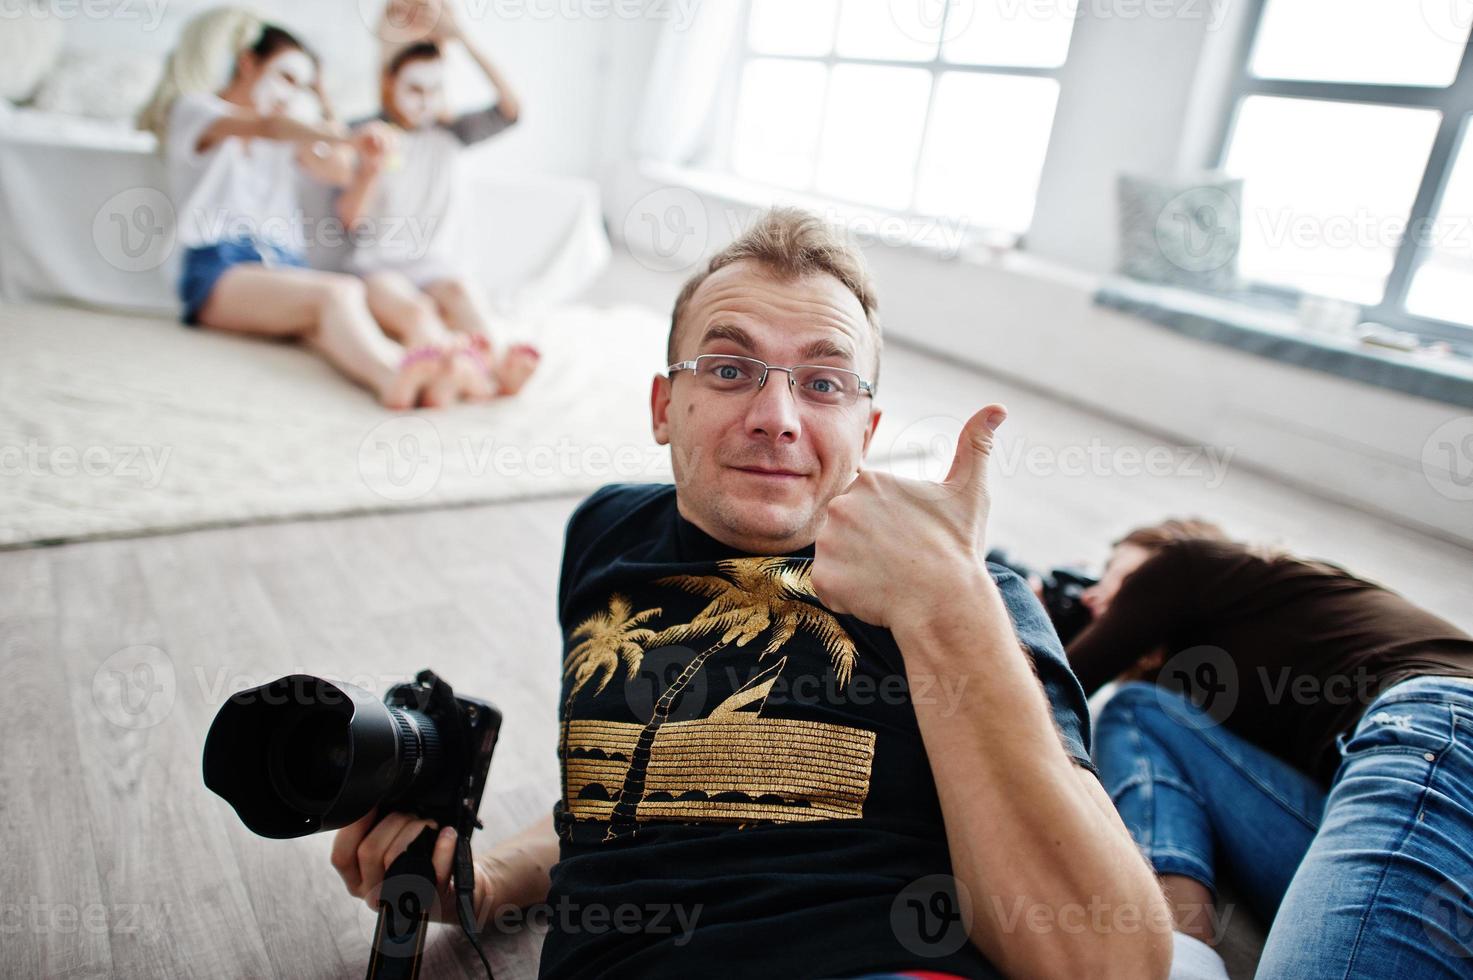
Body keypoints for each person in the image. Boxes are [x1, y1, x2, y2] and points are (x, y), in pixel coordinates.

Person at [330, 208, 1174, 979]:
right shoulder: (606, 537)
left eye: (823, 382)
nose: (776, 415)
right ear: (664, 405)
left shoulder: (970, 603)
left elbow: (1108, 961)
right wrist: (491, 880)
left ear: (867, 432)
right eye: (729, 369)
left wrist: (944, 605)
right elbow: (628, 795)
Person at [1069, 519, 1473, 977]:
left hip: (1442, 727)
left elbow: (1051, 696)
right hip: (1411, 822)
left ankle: (1180, 958)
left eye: (1110, 570)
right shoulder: (1224, 675)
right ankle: (1184, 953)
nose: (1090, 594)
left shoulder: (1186, 563)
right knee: (1140, 711)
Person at [160, 21, 457, 409]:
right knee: (339, 292)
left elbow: (341, 167)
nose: (289, 94)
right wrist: (346, 134)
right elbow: (269, 126)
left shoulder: (291, 138)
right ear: (248, 63)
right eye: (284, 77)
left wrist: (323, 99)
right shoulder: (198, 110)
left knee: (333, 325)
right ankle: (394, 374)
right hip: (220, 270)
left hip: (284, 265)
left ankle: (415, 376)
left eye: (299, 85)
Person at [337, 19, 539, 401]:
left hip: (433, 263)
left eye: (435, 89)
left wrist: (461, 37)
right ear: (388, 83)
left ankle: (495, 363)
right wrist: (368, 170)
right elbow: (349, 218)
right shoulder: (364, 133)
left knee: (462, 293)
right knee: (416, 312)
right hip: (377, 265)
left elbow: (511, 109)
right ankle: (448, 369)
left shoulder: (450, 132)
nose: (424, 100)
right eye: (414, 88)